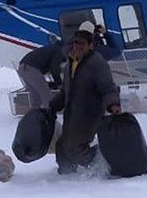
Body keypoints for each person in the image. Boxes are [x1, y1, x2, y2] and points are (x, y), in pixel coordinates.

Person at [49, 29, 121, 174]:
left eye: (81, 43)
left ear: (90, 45)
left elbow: (107, 86)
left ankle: (101, 160)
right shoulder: (72, 62)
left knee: (75, 147)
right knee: (62, 145)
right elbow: (65, 90)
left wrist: (113, 104)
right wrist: (53, 105)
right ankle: (66, 171)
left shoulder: (96, 63)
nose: (77, 46)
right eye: (75, 43)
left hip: (89, 113)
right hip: (73, 113)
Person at [17, 39, 66, 109]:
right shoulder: (58, 51)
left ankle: (34, 117)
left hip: (23, 68)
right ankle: (50, 118)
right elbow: (54, 70)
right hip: (32, 70)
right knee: (47, 96)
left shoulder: (51, 48)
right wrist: (59, 84)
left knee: (36, 98)